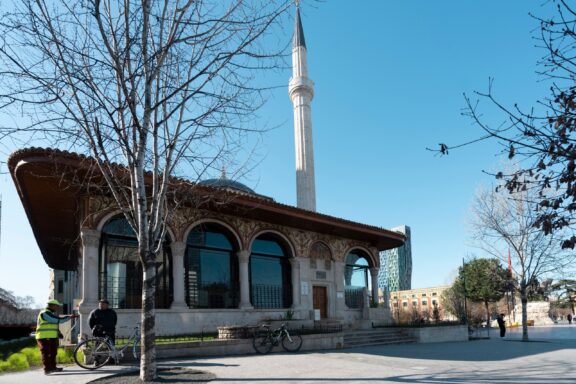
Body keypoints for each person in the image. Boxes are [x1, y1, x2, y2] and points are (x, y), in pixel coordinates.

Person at [36, 299, 78, 375]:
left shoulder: (49, 313)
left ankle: (53, 368)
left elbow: (52, 324)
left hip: (51, 336)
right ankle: (47, 369)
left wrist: (58, 333)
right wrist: (69, 317)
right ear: (52, 306)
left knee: (53, 352)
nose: (58, 307)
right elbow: (57, 320)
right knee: (47, 353)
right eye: (57, 306)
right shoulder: (45, 313)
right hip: (44, 337)